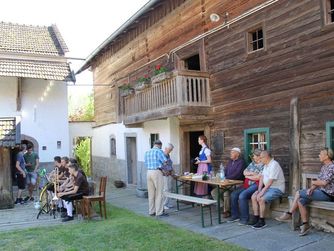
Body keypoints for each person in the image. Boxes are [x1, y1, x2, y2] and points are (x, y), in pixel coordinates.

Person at [276, 148, 334, 236]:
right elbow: (319, 180)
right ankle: (305, 224)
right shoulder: (324, 166)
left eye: (321, 154)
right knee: (300, 200)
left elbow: (324, 182)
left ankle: (289, 213)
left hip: (328, 195)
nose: (319, 155)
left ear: (327, 156)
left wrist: (314, 182)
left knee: (299, 193)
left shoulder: (332, 167)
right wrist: (311, 188)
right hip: (321, 192)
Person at [249, 150, 285, 229]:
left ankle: (262, 221)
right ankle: (256, 217)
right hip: (269, 188)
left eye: (261, 158)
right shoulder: (266, 165)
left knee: (261, 199)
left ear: (266, 157)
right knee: (254, 196)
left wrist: (262, 192)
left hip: (277, 188)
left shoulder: (274, 165)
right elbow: (262, 178)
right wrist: (259, 190)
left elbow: (270, 182)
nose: (260, 159)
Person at [228, 148, 264, 225]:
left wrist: (249, 176)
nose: (253, 157)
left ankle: (245, 219)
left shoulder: (264, 165)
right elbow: (244, 172)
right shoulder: (252, 163)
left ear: (258, 156)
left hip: (256, 185)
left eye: (254, 155)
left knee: (242, 195)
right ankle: (235, 216)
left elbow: (259, 178)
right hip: (247, 184)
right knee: (233, 194)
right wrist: (252, 174)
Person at [211, 147, 245, 218]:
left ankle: (227, 211)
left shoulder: (241, 162)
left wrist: (227, 179)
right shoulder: (230, 161)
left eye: (232, 152)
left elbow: (237, 174)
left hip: (237, 184)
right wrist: (223, 178)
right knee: (214, 192)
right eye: (231, 152)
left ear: (237, 154)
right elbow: (225, 171)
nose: (231, 154)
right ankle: (222, 207)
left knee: (226, 193)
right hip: (227, 183)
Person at [144, 139, 168, 217]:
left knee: (151, 193)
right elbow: (165, 161)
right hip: (157, 172)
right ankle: (159, 212)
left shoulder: (147, 152)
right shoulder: (159, 151)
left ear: (154, 144)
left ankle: (151, 211)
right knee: (159, 193)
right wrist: (164, 169)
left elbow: (146, 163)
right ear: (160, 145)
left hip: (148, 172)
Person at [162, 143, 174, 210]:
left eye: (171, 150)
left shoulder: (168, 155)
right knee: (166, 189)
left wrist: (172, 171)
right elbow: (161, 165)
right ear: (166, 148)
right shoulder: (163, 155)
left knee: (169, 188)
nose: (171, 151)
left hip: (168, 174)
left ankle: (167, 203)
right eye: (170, 149)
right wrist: (166, 171)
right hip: (164, 175)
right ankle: (163, 204)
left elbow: (169, 164)